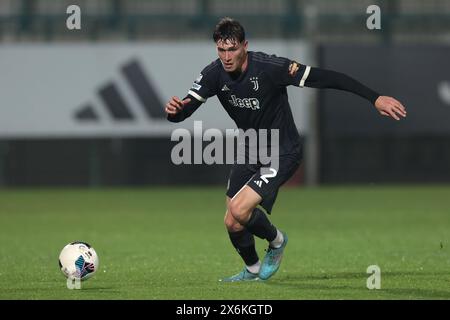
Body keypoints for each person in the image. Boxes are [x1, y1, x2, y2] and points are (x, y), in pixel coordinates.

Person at [165, 17, 406, 282]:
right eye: (221, 50)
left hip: (283, 150)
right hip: (251, 148)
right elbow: (184, 109)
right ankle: (254, 270)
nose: (226, 56)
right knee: (232, 221)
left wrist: (374, 98)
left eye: (232, 49)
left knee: (239, 210)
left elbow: (326, 78)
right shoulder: (213, 74)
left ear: (245, 45)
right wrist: (175, 112)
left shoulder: (271, 68)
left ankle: (277, 241)